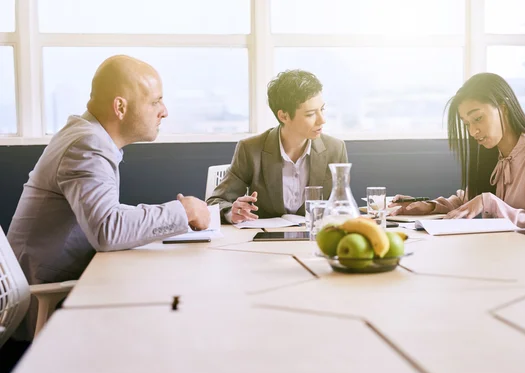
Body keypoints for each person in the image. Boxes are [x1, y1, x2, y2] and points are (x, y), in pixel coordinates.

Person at [8, 55, 210, 292]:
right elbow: (107, 229)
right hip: (46, 295)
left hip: (59, 281)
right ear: (120, 107)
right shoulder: (87, 144)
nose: (164, 112)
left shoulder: (85, 135)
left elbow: (105, 216)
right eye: (155, 102)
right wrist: (183, 212)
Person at [392, 72, 525, 242]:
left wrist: (490, 202)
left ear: (503, 108)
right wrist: (429, 206)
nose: (472, 132)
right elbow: (466, 201)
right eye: (467, 124)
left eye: (478, 118)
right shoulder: (491, 155)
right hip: (494, 255)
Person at [207, 69, 348, 223]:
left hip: (315, 239)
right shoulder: (250, 149)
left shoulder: (336, 149)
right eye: (310, 114)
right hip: (264, 241)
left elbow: (342, 205)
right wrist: (232, 212)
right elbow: (216, 201)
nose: (322, 120)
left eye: (322, 109)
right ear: (283, 116)